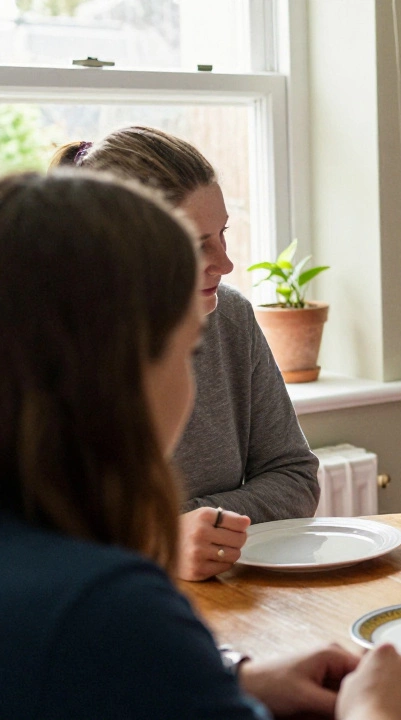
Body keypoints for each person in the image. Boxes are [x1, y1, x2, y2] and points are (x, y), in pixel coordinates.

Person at [0, 171, 401, 719]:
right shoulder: (108, 605)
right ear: (121, 370)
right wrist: (380, 713)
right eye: (188, 349)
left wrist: (235, 679)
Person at [53, 127, 319, 582]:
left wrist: (196, 528)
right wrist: (157, 541)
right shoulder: (41, 353)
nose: (226, 262)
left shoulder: (229, 317)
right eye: (198, 245)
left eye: (223, 233)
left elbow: (294, 476)